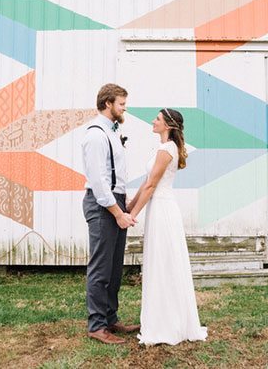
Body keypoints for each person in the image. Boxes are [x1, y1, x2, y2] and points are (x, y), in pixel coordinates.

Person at [127, 108, 208, 346]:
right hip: (158, 208)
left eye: (158, 119)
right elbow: (146, 183)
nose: (153, 121)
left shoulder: (167, 150)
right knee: (159, 261)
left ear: (168, 125)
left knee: (164, 261)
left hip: (162, 209)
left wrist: (132, 215)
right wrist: (130, 204)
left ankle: (167, 323)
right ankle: (161, 317)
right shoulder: (163, 149)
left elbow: (152, 185)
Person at [81, 83, 140, 344]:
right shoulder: (95, 135)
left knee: (115, 268)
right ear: (108, 104)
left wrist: (123, 201)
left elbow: (114, 175)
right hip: (102, 204)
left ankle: (110, 318)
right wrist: (116, 212)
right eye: (121, 104)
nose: (124, 109)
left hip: (114, 201)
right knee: (101, 268)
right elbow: (98, 181)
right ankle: (96, 325)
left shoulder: (112, 132)